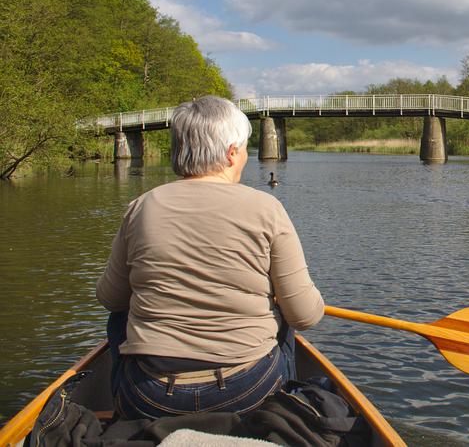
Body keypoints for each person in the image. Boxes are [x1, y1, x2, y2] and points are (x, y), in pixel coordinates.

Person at [96, 96, 325, 420]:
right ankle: (276, 410)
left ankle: (122, 409)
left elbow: (109, 297)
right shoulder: (267, 209)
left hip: (151, 396)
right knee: (287, 313)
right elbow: (305, 316)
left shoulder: (140, 207)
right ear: (232, 153)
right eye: (245, 148)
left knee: (121, 313)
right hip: (248, 391)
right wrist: (282, 302)